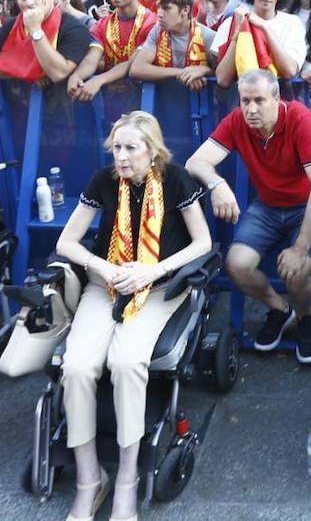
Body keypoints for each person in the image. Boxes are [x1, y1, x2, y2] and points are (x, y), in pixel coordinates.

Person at [54, 112, 212, 521]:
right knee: (76, 366)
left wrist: (153, 270)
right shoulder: (103, 182)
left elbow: (203, 243)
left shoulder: (175, 180)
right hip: (105, 282)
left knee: (126, 363)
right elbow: (67, 242)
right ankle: (90, 479)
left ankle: (126, 477)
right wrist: (103, 267)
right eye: (117, 148)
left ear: (152, 150)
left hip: (157, 286)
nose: (121, 157)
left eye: (130, 148)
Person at [185, 69, 311, 363]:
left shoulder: (298, 117)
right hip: (269, 204)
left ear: (276, 98)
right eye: (245, 101)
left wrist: (300, 249)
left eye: (259, 100)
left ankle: (306, 317)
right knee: (237, 265)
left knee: (296, 270)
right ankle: (281, 309)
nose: (251, 109)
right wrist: (217, 184)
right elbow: (196, 162)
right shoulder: (237, 121)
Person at [69, 0, 157, 100]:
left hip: (146, 101)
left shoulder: (152, 23)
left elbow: (132, 63)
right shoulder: (101, 25)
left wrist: (99, 80)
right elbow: (91, 59)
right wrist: (76, 76)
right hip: (111, 102)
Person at [213, 0, 308, 85]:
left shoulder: (292, 23)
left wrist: (265, 28)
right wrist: (238, 31)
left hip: (280, 100)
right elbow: (222, 79)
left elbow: (290, 70)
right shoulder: (232, 22)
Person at [129, 0, 217, 91]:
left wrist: (204, 70)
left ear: (185, 10)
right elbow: (137, 68)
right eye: (158, 7)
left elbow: (224, 73)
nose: (159, 14)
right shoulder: (158, 30)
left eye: (166, 8)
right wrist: (182, 73)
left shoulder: (208, 36)